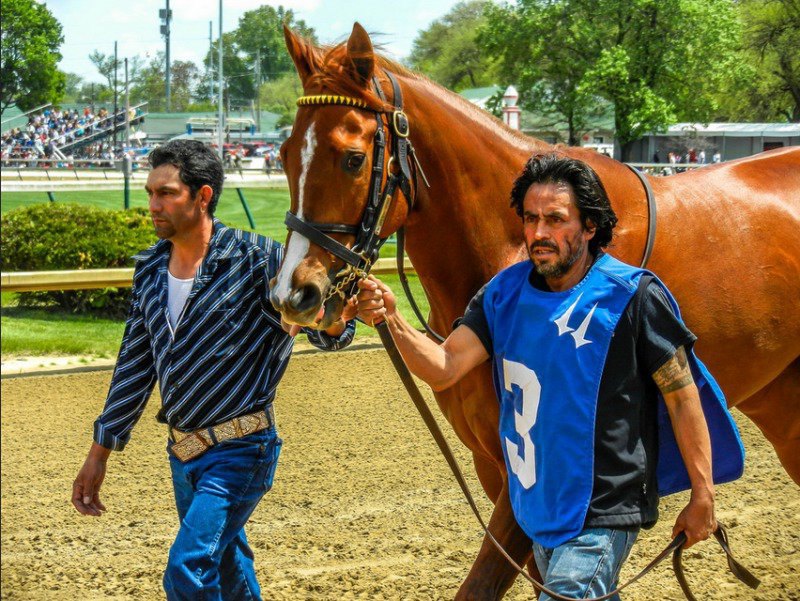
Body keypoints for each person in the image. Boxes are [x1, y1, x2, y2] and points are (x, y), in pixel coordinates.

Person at [355, 153, 743, 600]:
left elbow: (682, 397)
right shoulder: (503, 294)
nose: (539, 233)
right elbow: (443, 367)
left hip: (603, 509)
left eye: (556, 219)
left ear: (590, 226)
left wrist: (703, 495)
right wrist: (393, 318)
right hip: (536, 505)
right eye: (531, 218)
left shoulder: (634, 295)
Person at [72, 139, 356, 600]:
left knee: (188, 570)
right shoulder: (148, 270)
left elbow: (329, 332)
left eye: (166, 193)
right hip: (182, 455)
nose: (153, 205)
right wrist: (99, 451)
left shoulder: (258, 261)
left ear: (203, 197)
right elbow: (134, 365)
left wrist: (339, 319)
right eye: (150, 193)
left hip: (242, 450)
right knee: (228, 569)